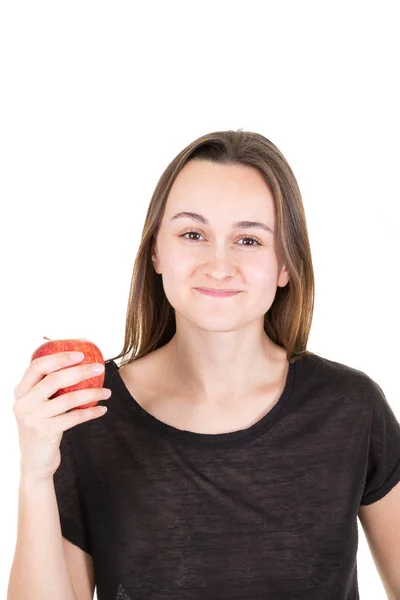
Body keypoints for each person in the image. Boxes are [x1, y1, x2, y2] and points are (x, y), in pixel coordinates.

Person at [8, 129, 400, 599]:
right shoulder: (90, 413)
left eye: (249, 240)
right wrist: (34, 473)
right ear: (156, 250)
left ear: (285, 265)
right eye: (193, 234)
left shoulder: (350, 408)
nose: (218, 265)